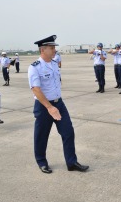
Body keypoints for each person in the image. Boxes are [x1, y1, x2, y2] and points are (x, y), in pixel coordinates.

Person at [28, 35, 89, 174]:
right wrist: (49, 107)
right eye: (52, 48)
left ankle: (71, 162)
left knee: (68, 132)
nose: (55, 50)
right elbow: (36, 89)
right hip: (44, 106)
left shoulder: (55, 63)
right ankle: (42, 162)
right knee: (41, 136)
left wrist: (55, 103)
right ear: (43, 50)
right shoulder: (34, 67)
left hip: (59, 104)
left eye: (54, 47)